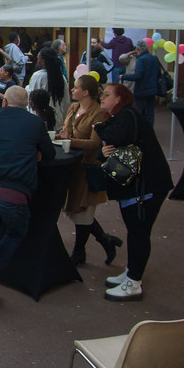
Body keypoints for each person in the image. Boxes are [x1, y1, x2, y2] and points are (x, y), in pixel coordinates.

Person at [0, 86, 55, 315]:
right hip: (15, 193)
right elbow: (50, 153)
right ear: (26, 103)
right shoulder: (35, 123)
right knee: (16, 232)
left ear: (4, 102)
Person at [94, 83, 174, 301]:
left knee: (138, 231)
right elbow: (111, 145)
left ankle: (134, 282)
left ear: (119, 99)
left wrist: (100, 129)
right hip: (139, 185)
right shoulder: (124, 117)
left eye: (107, 95)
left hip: (146, 186)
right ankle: (132, 272)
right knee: (135, 230)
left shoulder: (127, 117)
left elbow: (115, 137)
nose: (102, 97)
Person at [57, 75, 122, 265]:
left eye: (75, 87)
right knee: (76, 210)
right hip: (73, 167)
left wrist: (68, 141)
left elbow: (95, 143)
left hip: (89, 168)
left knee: (83, 211)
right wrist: (63, 133)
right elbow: (66, 129)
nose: (72, 90)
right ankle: (105, 240)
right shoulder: (73, 108)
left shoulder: (98, 113)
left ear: (86, 92)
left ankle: (79, 253)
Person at [26, 47, 69, 130]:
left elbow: (31, 97)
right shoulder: (61, 78)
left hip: (39, 119)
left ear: (43, 60)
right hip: (58, 119)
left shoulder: (37, 76)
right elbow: (66, 101)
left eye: (38, 59)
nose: (37, 62)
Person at [120, 39, 159, 126]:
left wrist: (123, 76)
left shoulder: (141, 60)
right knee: (150, 113)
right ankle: (150, 130)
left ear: (138, 49)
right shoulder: (154, 58)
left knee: (138, 112)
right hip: (152, 89)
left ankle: (139, 131)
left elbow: (137, 75)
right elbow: (158, 73)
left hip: (141, 90)